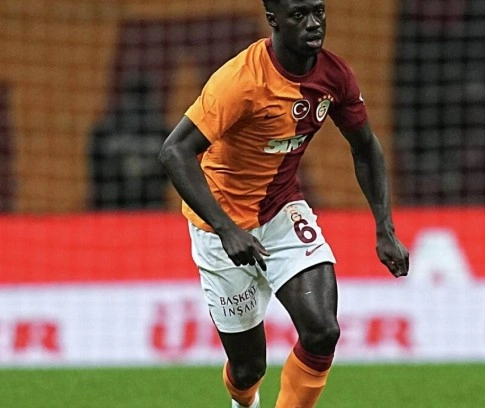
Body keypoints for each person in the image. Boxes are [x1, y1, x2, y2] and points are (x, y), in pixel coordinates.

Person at [158, 1, 410, 407]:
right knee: (248, 369)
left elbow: (366, 148)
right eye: (299, 15)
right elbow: (174, 152)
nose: (313, 24)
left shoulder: (335, 75)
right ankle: (243, 401)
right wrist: (226, 228)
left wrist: (385, 228)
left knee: (322, 331)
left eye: (319, 12)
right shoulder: (240, 81)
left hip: (282, 213)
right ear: (273, 20)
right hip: (220, 229)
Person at [90, 76, 170, 209]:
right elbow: (96, 174)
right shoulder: (104, 131)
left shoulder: (163, 133)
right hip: (112, 206)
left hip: (152, 206)